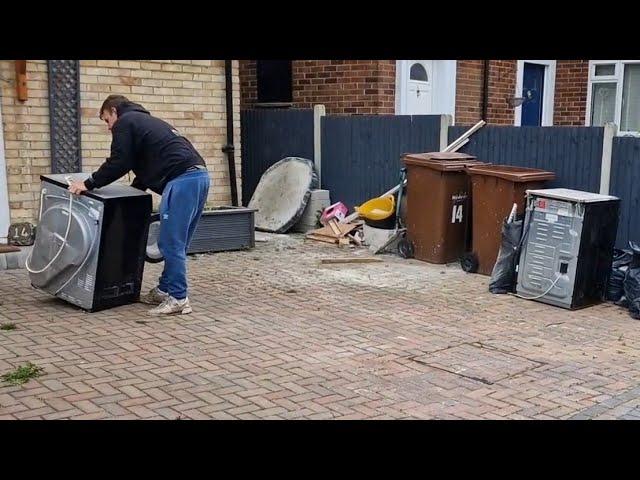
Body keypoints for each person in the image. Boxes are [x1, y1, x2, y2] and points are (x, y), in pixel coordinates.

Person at [68, 95, 210, 316]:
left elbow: (119, 161)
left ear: (114, 111)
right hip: (198, 177)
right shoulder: (144, 122)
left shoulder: (125, 122)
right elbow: (143, 163)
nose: (108, 127)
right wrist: (135, 192)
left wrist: (88, 183)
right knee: (176, 242)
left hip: (182, 180)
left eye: (107, 120)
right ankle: (165, 289)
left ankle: (179, 298)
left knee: (170, 242)